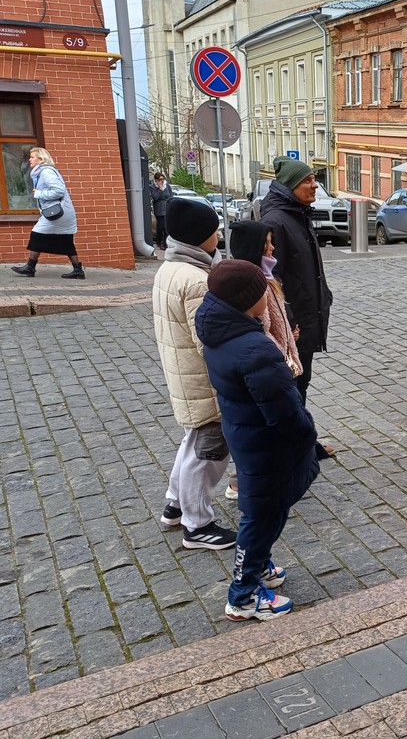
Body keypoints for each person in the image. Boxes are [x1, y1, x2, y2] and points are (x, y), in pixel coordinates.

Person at [195, 259, 319, 621]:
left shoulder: (218, 332)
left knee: (266, 510)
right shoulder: (255, 349)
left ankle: (260, 565)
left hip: (247, 436)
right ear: (251, 300)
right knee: (263, 517)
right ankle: (243, 595)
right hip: (267, 446)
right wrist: (307, 433)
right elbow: (284, 412)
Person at [152, 197, 237, 551]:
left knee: (193, 442)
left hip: (185, 374)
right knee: (209, 454)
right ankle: (197, 525)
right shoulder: (196, 281)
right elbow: (209, 339)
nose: (218, 235)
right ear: (199, 236)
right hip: (204, 381)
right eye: (214, 230)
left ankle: (175, 504)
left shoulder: (170, 267)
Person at [258, 156, 336, 459]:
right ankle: (296, 449)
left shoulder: (296, 213)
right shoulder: (276, 221)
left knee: (299, 384)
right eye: (307, 180)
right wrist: (288, 322)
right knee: (292, 388)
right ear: (291, 185)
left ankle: (302, 444)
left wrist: (324, 296)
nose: (315, 185)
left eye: (315, 179)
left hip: (304, 316)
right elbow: (270, 278)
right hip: (293, 324)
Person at [223, 219, 303, 500]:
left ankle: (271, 475)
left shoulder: (268, 278)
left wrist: (290, 331)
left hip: (281, 360)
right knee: (262, 430)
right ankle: (242, 483)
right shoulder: (253, 284)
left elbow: (279, 317)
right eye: (267, 243)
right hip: (272, 365)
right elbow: (261, 328)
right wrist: (280, 354)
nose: (272, 248)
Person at [10, 147, 84, 279]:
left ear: (41, 159)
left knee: (37, 233)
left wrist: (39, 193)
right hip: (59, 212)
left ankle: (30, 267)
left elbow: (59, 191)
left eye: (32, 157)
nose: (29, 159)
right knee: (65, 240)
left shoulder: (46, 172)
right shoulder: (41, 172)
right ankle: (77, 270)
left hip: (58, 213)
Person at [150, 172, 173, 249]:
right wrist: (160, 189)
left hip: (166, 208)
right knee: (161, 226)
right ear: (156, 180)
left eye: (163, 179)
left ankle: (166, 244)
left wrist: (163, 193)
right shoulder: (153, 187)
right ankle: (159, 241)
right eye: (160, 179)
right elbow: (156, 197)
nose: (162, 181)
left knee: (166, 227)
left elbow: (169, 196)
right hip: (159, 210)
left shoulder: (167, 186)